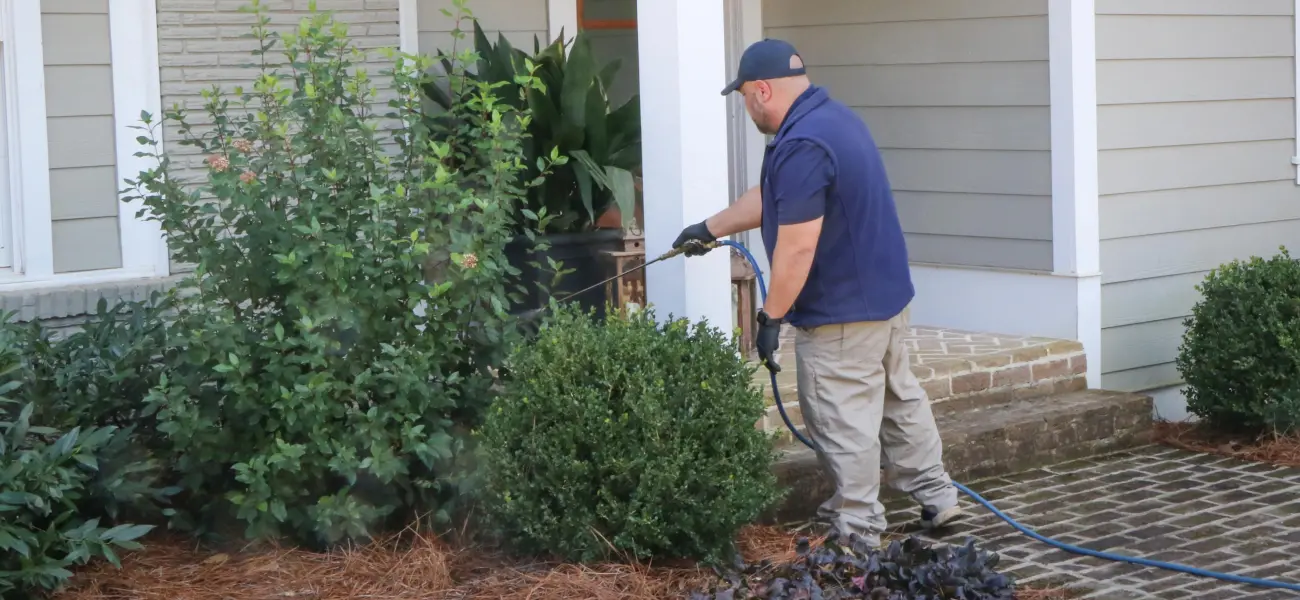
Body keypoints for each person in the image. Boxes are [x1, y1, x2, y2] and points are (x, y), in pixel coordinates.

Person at [672, 38, 963, 547]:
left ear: (761, 90)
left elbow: (797, 250)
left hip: (841, 314)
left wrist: (769, 318)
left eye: (743, 96)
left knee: (840, 415)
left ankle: (857, 529)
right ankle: (937, 498)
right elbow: (772, 197)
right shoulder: (830, 119)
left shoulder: (802, 144)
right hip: (883, 300)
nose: (745, 107)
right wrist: (709, 227)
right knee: (899, 401)